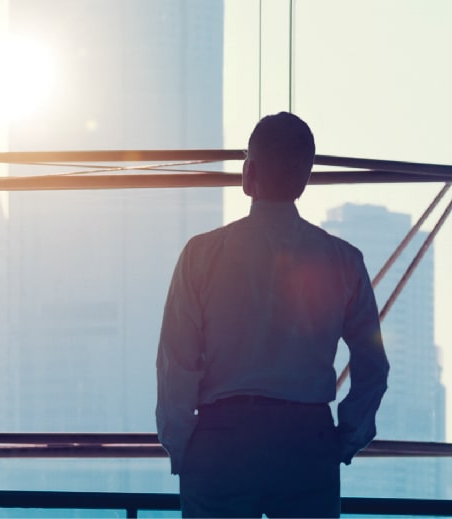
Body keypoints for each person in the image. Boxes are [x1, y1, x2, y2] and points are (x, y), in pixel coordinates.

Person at [155, 112, 389, 518]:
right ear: (305, 179)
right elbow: (372, 366)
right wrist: (345, 439)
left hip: (220, 441)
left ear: (249, 174)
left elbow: (176, 364)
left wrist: (183, 446)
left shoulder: (201, 255)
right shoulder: (344, 260)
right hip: (307, 441)